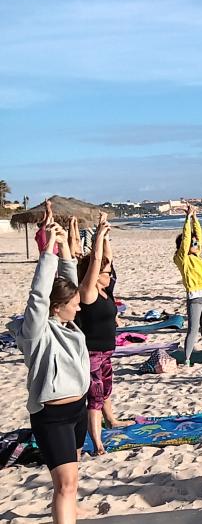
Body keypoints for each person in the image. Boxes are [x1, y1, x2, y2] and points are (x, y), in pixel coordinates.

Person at [8, 221, 89, 523]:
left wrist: (66, 248)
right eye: (74, 305)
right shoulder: (36, 334)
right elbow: (40, 296)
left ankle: (73, 511)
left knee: (72, 478)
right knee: (65, 485)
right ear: (56, 308)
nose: (78, 309)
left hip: (78, 409)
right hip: (53, 416)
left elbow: (69, 287)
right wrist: (47, 253)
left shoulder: (68, 325)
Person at [73, 214, 131, 455]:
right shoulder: (88, 292)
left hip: (105, 353)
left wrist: (106, 236)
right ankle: (97, 444)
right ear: (94, 274)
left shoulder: (106, 291)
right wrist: (97, 235)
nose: (110, 275)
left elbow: (107, 259)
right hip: (92, 354)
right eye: (105, 272)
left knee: (105, 390)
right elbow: (97, 259)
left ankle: (111, 420)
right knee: (95, 398)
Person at [174, 204, 202, 367]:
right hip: (195, 299)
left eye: (196, 243)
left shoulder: (196, 254)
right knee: (193, 329)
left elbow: (198, 235)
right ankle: (187, 358)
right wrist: (187, 218)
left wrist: (195, 217)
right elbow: (186, 239)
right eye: (194, 243)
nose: (197, 244)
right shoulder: (182, 259)